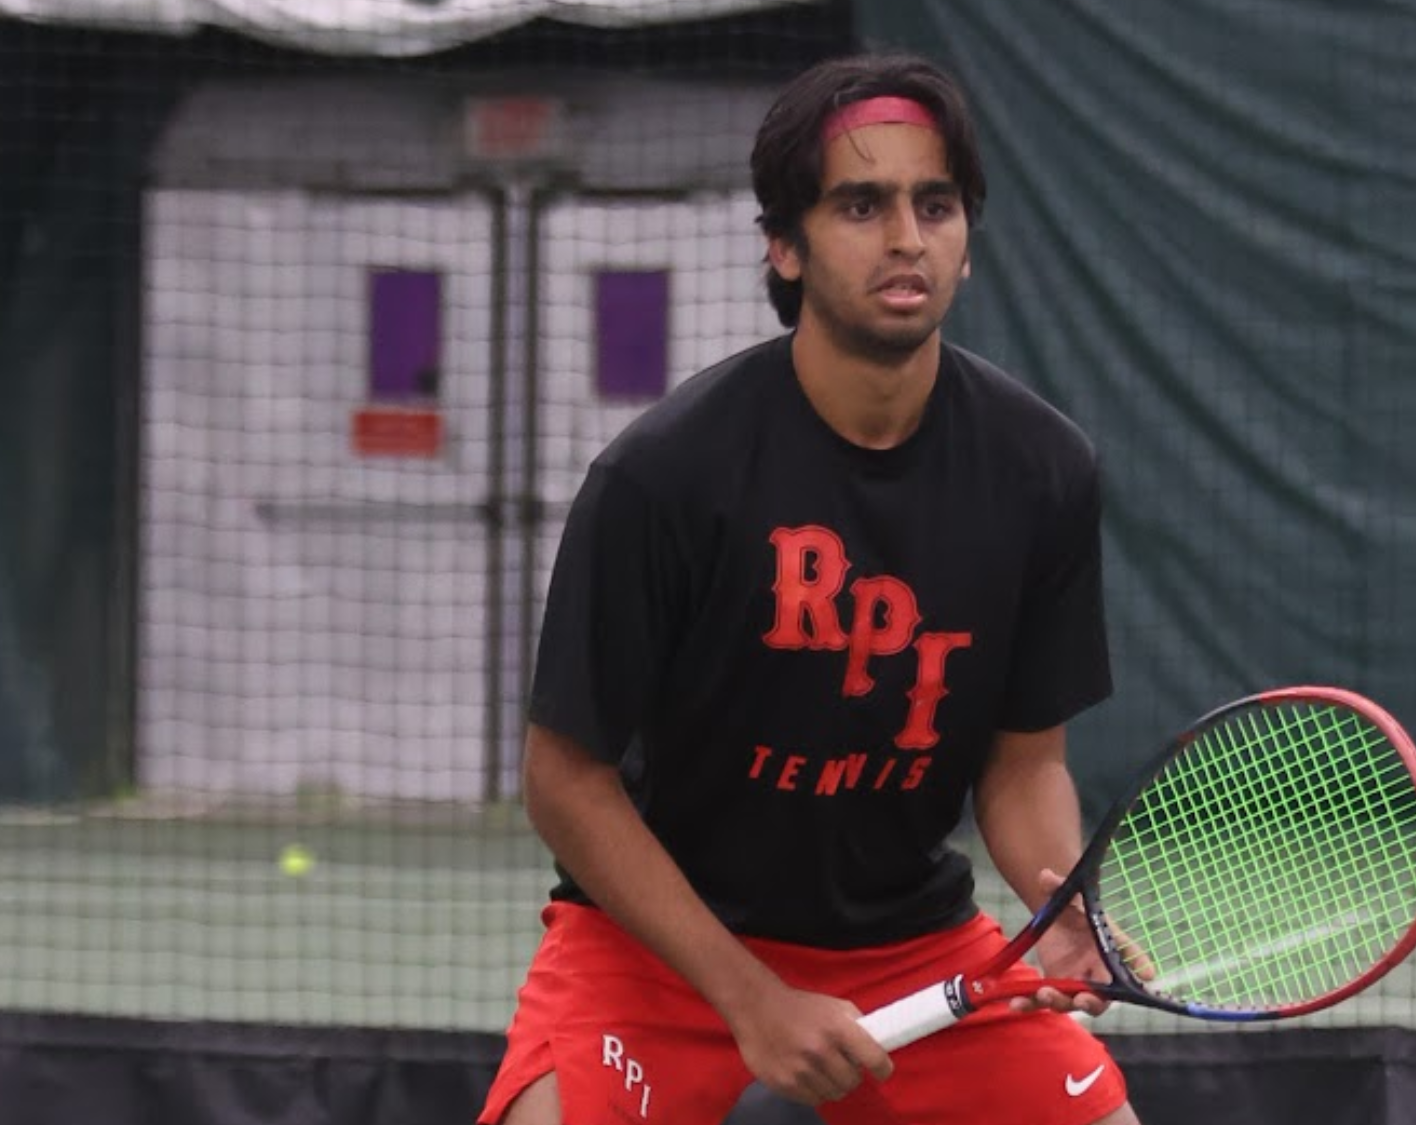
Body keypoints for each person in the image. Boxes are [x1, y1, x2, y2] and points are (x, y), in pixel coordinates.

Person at [478, 51, 1142, 1125]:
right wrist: (750, 997)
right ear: (783, 246)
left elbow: (1023, 773)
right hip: (661, 956)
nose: (904, 238)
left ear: (966, 242)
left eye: (935, 204)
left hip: (913, 952)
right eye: (859, 205)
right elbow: (565, 783)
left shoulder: (1044, 471)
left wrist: (1059, 903)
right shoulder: (663, 477)